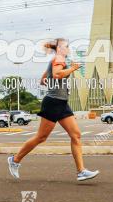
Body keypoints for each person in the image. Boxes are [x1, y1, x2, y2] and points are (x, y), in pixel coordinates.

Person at [7, 38, 99, 182]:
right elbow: (56, 75)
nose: (69, 49)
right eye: (67, 46)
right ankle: (15, 159)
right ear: (60, 48)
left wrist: (57, 82)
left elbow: (43, 80)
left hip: (61, 103)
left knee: (76, 135)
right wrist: (73, 69)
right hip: (53, 103)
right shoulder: (59, 58)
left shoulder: (56, 60)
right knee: (41, 137)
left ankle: (81, 171)